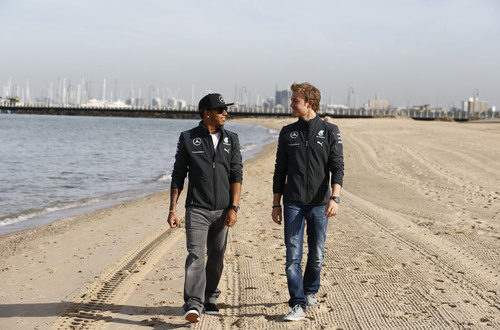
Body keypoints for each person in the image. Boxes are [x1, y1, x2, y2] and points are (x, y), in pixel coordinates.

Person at [272, 82, 344, 321]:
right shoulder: (287, 132)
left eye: (295, 100)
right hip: (292, 202)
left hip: (320, 203)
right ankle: (297, 303)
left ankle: (310, 290)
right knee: (293, 255)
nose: (291, 104)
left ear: (309, 103)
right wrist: (276, 204)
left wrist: (335, 198)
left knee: (316, 255)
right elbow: (279, 170)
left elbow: (337, 167)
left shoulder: (330, 130)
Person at [168, 93, 242, 323]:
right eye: (220, 110)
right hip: (196, 208)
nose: (225, 113)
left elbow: (236, 174)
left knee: (217, 256)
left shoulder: (232, 139)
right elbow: (178, 174)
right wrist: (173, 208)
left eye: (224, 109)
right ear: (207, 113)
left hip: (223, 209)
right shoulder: (188, 138)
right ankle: (193, 303)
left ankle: (210, 297)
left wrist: (234, 208)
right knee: (196, 255)